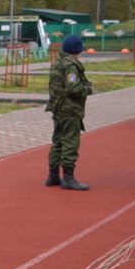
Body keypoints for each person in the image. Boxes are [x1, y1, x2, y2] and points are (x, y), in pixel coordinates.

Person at [45, 34, 92, 190]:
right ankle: (68, 178)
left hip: (57, 107)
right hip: (69, 109)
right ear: (77, 50)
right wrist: (87, 89)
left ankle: (53, 175)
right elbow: (73, 88)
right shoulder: (71, 66)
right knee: (70, 141)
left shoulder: (58, 62)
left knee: (57, 141)